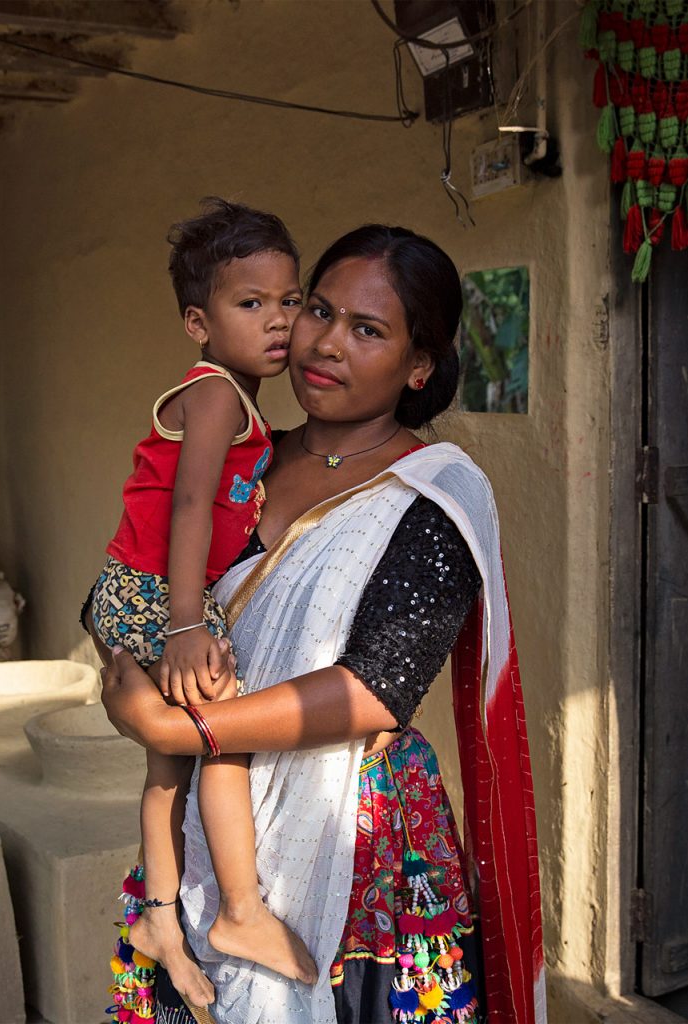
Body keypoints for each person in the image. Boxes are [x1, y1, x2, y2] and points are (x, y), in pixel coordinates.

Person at [101, 224, 546, 1024]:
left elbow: (375, 691)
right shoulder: (245, 459)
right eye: (318, 309)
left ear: (417, 365)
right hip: (210, 813)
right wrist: (126, 679)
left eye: (366, 329)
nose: (325, 342)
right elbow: (132, 581)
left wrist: (176, 731)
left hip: (355, 832)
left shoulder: (432, 492)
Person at [86, 196, 318, 1011]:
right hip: (156, 595)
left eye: (289, 300)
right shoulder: (217, 392)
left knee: (168, 764)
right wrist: (187, 621)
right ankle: (241, 912)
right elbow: (189, 507)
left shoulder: (239, 402)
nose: (278, 321)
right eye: (249, 304)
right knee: (224, 725)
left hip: (136, 590)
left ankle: (157, 917)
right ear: (198, 322)